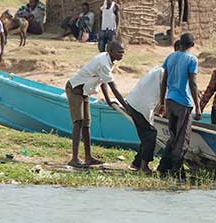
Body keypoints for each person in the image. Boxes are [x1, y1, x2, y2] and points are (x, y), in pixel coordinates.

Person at [65, 41, 129, 168]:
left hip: (84, 92)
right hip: (75, 90)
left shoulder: (108, 61)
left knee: (87, 123)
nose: (122, 54)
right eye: (119, 52)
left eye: (123, 52)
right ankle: (74, 158)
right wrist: (126, 107)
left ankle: (88, 157)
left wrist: (108, 100)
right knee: (78, 122)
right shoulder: (103, 63)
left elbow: (103, 81)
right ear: (110, 51)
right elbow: (113, 88)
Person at [122, 40, 182, 174]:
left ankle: (136, 163)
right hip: (140, 105)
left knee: (146, 135)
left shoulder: (159, 69)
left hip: (134, 102)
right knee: (150, 135)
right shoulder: (167, 72)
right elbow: (167, 96)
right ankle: (144, 167)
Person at [157, 32, 200, 178]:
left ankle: (163, 166)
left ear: (180, 43)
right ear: (192, 45)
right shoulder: (192, 60)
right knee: (183, 139)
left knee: (173, 135)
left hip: (170, 100)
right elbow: (193, 84)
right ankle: (176, 169)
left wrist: (162, 102)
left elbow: (164, 81)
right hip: (183, 102)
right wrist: (198, 107)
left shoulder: (171, 57)